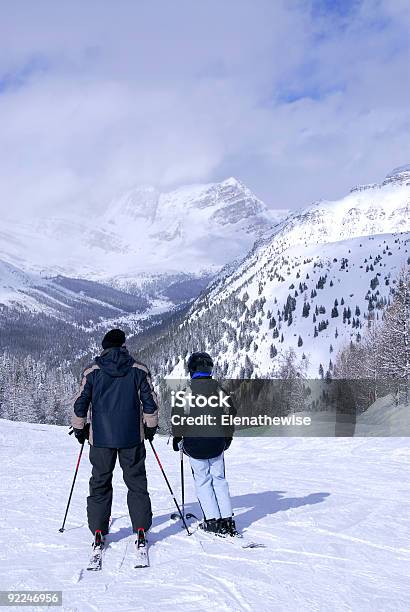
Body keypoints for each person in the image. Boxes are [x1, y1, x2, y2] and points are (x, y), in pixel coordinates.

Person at [71, 328, 158, 550]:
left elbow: (80, 403)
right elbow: (150, 402)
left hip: (100, 439)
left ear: (104, 347)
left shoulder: (92, 372)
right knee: (136, 482)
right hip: (131, 437)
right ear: (123, 346)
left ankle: (98, 530)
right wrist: (150, 427)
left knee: (100, 483)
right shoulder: (138, 370)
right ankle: (140, 528)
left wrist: (79, 429)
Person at [172, 351, 238, 537]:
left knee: (203, 481)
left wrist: (178, 440)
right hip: (217, 443)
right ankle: (228, 521)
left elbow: (178, 420)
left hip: (194, 445)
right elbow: (230, 413)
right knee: (219, 480)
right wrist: (227, 437)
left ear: (191, 370)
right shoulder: (219, 390)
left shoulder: (185, 392)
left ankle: (212, 521)